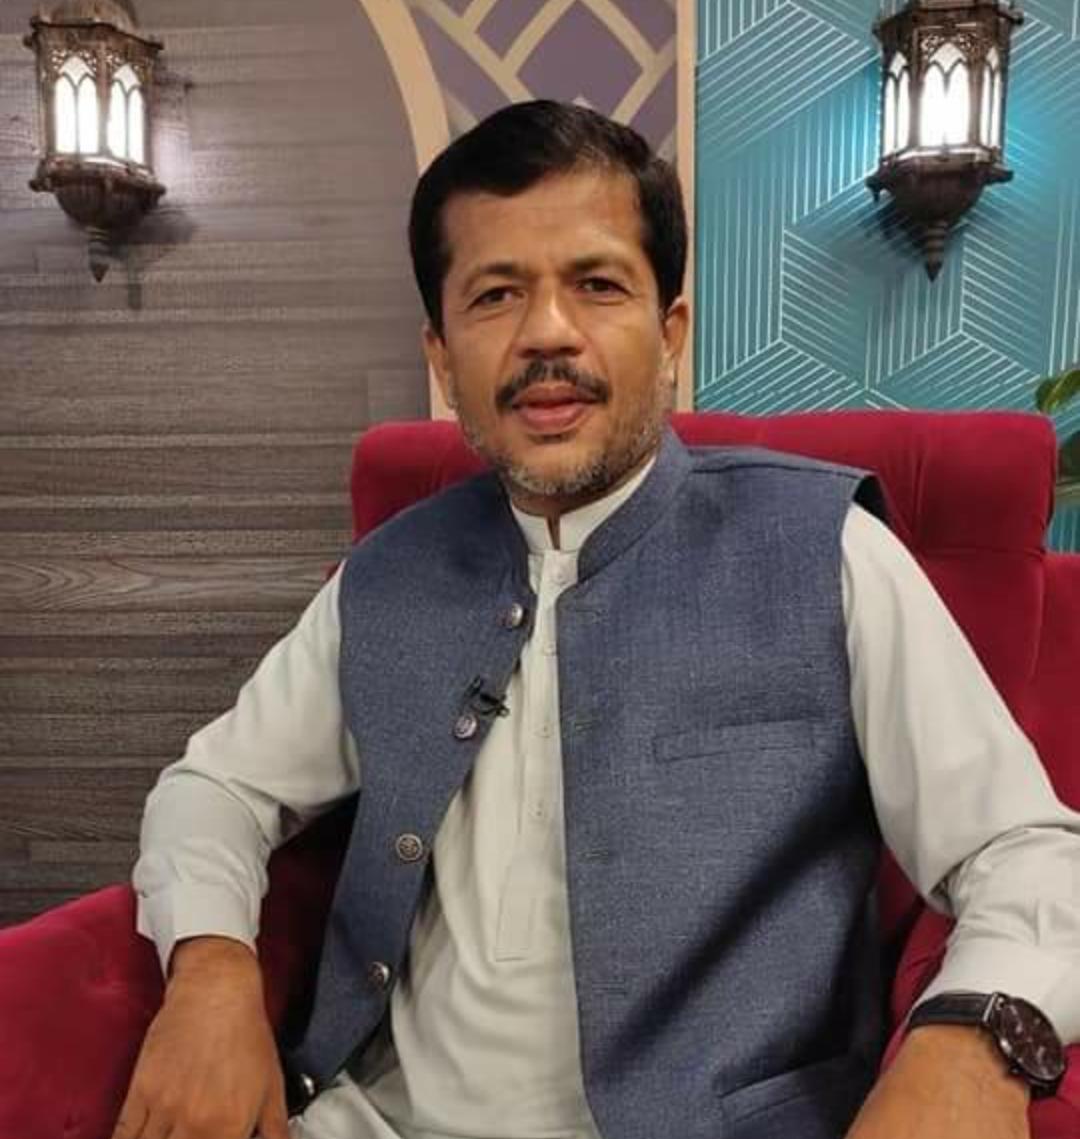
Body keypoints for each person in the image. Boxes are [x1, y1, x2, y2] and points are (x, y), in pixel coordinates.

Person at [116, 101, 1078, 1139]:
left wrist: (972, 1042)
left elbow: (1026, 848)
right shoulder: (384, 577)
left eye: (597, 284)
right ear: (442, 354)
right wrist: (209, 972)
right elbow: (215, 788)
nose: (547, 332)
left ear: (669, 333)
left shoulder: (826, 550)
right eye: (495, 294)